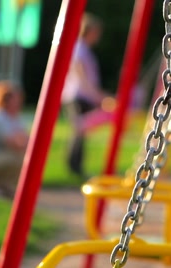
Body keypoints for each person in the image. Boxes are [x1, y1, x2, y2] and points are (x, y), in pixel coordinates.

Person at [62, 13, 109, 179]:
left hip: (83, 95)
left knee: (81, 131)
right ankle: (74, 167)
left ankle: (76, 166)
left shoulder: (83, 50)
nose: (98, 36)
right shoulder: (79, 50)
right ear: (89, 31)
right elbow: (82, 80)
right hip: (78, 95)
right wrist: (100, 97)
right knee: (79, 130)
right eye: (96, 32)